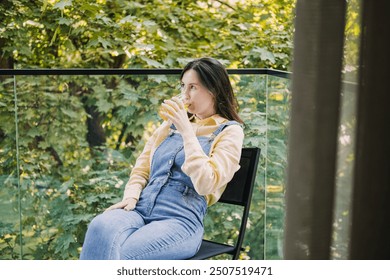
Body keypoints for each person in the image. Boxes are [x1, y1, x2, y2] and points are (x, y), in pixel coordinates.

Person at [79, 57, 244, 260]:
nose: (185, 94)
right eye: (183, 86)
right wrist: (131, 195)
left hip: (180, 220)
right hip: (139, 209)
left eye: (193, 87)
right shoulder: (169, 125)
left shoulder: (229, 131)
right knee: (99, 226)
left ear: (214, 90)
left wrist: (187, 131)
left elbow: (206, 183)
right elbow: (142, 168)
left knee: (122, 255)